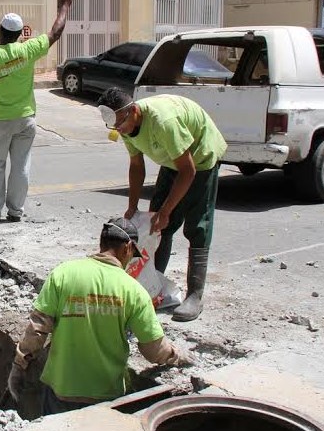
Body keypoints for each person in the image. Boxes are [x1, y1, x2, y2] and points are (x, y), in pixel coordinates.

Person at [7, 218, 191, 416]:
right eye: (132, 255)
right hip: (106, 396)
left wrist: (19, 366)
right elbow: (153, 350)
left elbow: (37, 329)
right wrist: (178, 356)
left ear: (101, 243)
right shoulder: (134, 291)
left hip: (60, 390)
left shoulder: (63, 274)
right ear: (128, 247)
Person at [97, 88, 227, 322]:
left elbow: (188, 171)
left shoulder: (164, 122)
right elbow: (136, 165)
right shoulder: (125, 125)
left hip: (200, 158)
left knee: (197, 226)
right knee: (157, 225)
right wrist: (132, 207)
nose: (120, 131)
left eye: (121, 124)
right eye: (114, 127)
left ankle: (195, 296)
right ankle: (154, 288)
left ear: (134, 111)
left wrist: (167, 211)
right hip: (173, 160)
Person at [0, 0, 74, 222]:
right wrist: (65, 5)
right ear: (18, 34)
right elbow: (55, 32)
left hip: (0, 120)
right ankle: (15, 211)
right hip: (26, 119)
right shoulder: (29, 49)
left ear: (0, 32)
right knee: (21, 166)